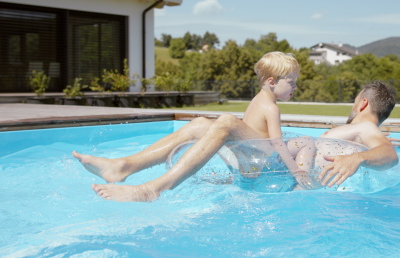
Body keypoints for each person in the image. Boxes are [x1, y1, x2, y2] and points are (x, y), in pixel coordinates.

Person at [73, 51, 315, 201]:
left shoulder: (264, 103)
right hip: (254, 157)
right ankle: (123, 166)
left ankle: (153, 189)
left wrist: (294, 171)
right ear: (272, 82)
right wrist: (297, 170)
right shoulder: (270, 107)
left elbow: (270, 144)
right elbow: (275, 142)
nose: (295, 87)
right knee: (200, 123)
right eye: (291, 82)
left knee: (227, 121)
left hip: (259, 160)